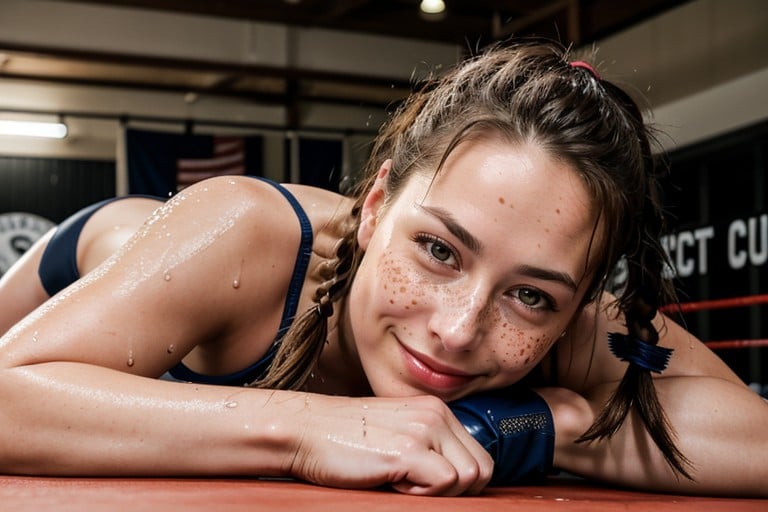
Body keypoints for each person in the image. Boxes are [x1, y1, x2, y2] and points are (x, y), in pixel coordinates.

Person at [0, 39, 765, 497]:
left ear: (576, 305)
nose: (459, 328)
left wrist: (543, 427)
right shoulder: (243, 232)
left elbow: (751, 434)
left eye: (529, 295)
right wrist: (304, 430)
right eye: (438, 250)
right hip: (101, 252)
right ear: (374, 205)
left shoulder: (584, 330)